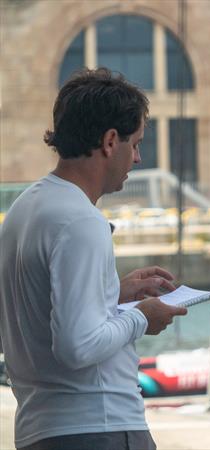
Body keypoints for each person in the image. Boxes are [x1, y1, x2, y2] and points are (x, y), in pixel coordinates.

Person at [0, 68, 188, 450]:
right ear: (109, 141)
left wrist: (113, 294)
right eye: (135, 144)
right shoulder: (81, 221)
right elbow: (77, 347)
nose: (136, 158)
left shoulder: (26, 209)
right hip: (98, 428)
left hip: (41, 429)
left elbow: (37, 312)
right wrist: (143, 315)